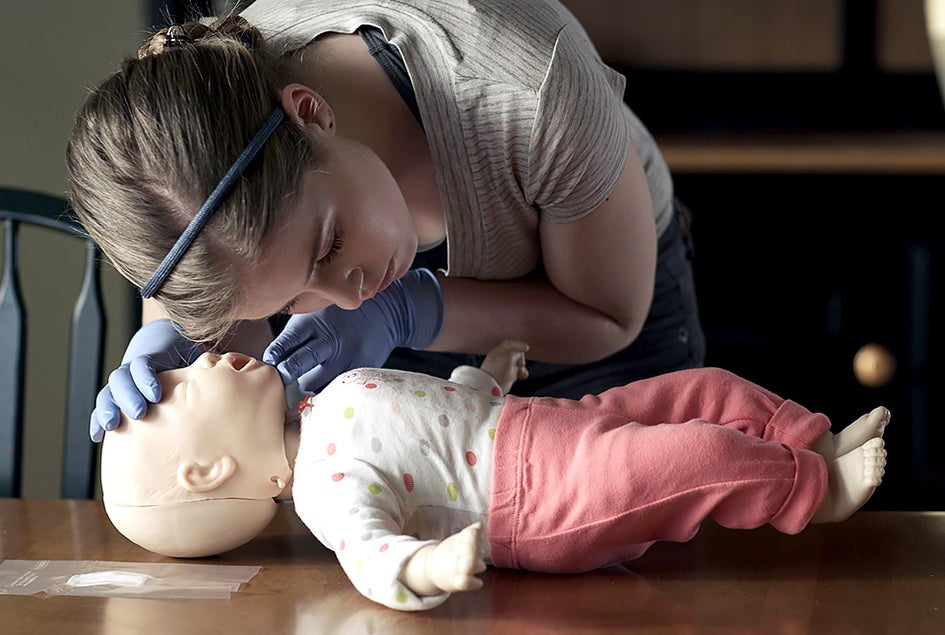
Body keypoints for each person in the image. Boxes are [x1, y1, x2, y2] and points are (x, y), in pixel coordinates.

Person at [66, 0, 705, 443]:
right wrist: (185, 353)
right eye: (290, 301)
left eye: (328, 247)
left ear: (310, 112)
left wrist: (405, 312)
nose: (345, 298)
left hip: (591, 314)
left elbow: (607, 316)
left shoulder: (532, 91)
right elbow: (223, 283)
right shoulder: (203, 123)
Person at [100, 344, 888, 612]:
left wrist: (483, 377)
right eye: (182, 386)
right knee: (692, 453)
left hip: (546, 421)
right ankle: (807, 497)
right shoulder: (322, 488)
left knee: (705, 388)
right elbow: (369, 557)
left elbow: (434, 417)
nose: (199, 358)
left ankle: (803, 446)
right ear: (209, 470)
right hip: (538, 499)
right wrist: (425, 566)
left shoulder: (324, 399)